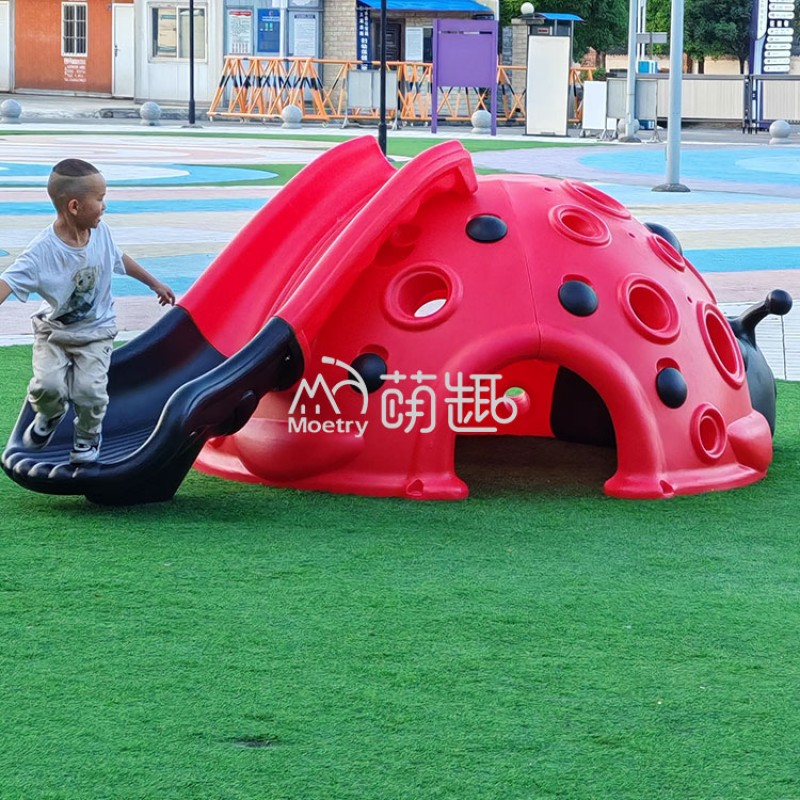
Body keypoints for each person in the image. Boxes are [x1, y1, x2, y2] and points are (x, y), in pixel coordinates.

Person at [0, 158, 175, 464]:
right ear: (74, 206)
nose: (104, 206)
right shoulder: (42, 251)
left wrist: (154, 282)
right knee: (47, 387)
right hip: (55, 332)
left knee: (90, 391)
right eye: (100, 199)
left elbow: (119, 258)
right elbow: (8, 281)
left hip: (96, 332)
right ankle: (50, 416)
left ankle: (87, 438)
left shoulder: (101, 232)